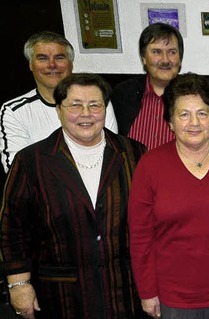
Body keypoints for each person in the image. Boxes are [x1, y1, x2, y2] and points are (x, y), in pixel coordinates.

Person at [0, 73, 146, 318]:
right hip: (62, 295)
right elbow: (12, 226)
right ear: (59, 109)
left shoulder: (134, 153)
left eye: (95, 105)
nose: (86, 114)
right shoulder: (31, 161)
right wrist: (18, 284)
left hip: (124, 291)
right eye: (75, 105)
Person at [128, 73, 209, 319]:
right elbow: (140, 236)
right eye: (184, 114)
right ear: (170, 121)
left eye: (202, 113)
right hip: (173, 299)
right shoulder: (150, 165)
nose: (194, 122)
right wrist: (147, 292)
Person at [0, 31, 118, 174]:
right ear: (31, 64)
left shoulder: (98, 102)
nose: (51, 65)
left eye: (59, 57)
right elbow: (18, 170)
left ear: (71, 64)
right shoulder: (14, 111)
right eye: (42, 58)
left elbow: (109, 155)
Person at [110, 22, 183, 150]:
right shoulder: (122, 95)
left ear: (180, 58)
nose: (165, 60)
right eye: (157, 52)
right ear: (144, 58)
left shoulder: (195, 95)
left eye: (172, 52)